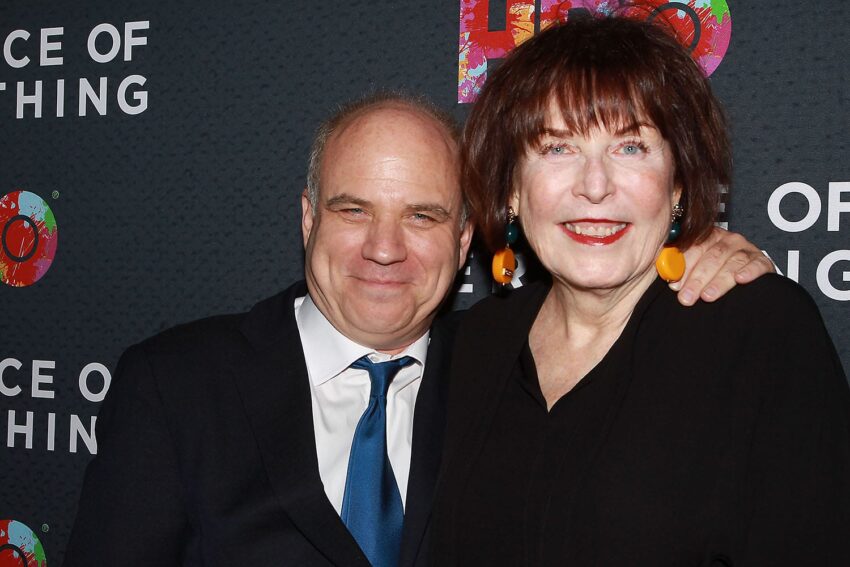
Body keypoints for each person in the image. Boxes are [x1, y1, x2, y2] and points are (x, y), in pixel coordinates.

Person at [64, 93, 770, 566]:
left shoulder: (506, 370)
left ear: (466, 239)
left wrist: (709, 257)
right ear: (308, 219)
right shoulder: (176, 382)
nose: (385, 247)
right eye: (352, 210)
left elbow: (606, 294)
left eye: (424, 216)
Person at [431, 15, 850, 566]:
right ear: (511, 188)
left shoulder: (760, 332)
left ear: (677, 183)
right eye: (557, 148)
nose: (595, 185)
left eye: (631, 148)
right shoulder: (471, 345)